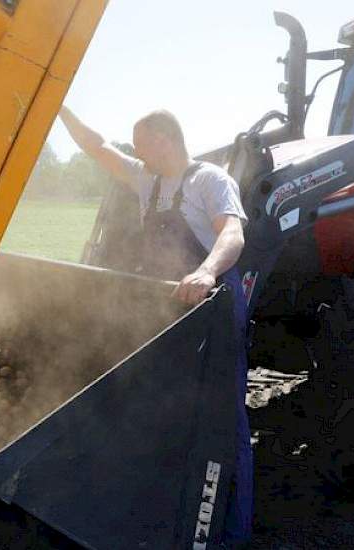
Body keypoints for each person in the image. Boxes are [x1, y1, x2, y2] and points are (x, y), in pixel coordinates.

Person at [58, 106, 252, 547]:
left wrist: (205, 272)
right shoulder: (148, 180)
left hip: (213, 306)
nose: (137, 152)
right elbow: (97, 146)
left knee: (223, 416)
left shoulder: (210, 180)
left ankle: (229, 530)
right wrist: (58, 106)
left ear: (165, 139)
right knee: (166, 406)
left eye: (142, 143)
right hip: (169, 308)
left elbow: (232, 235)